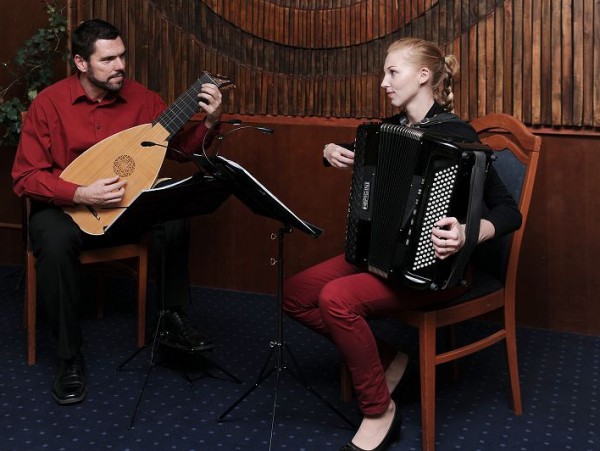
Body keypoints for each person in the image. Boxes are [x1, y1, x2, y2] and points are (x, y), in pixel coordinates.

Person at [283, 38, 523, 451]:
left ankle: (379, 410)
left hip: (437, 270)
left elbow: (507, 210)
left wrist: (468, 233)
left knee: (336, 299)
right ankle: (390, 360)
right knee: (295, 294)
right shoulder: (390, 131)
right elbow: (349, 152)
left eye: (393, 72)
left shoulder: (457, 136)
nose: (384, 82)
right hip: (381, 258)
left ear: (423, 75)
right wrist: (329, 150)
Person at [11, 19, 224, 406]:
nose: (120, 66)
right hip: (65, 209)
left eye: (122, 56)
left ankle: (172, 319)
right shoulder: (49, 104)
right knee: (54, 242)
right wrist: (79, 192)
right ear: (81, 63)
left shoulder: (142, 99)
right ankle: (69, 357)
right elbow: (25, 177)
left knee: (174, 211)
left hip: (124, 210)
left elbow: (178, 149)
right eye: (108, 59)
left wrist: (209, 122)